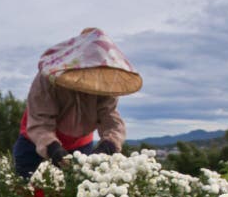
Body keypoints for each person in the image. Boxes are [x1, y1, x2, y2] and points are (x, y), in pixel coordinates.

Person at [13, 27, 142, 180]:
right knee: (27, 186)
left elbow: (110, 118)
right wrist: (53, 148)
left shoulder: (106, 84)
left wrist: (109, 145)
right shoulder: (48, 78)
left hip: (80, 144)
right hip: (35, 141)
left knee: (77, 189)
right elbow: (40, 122)